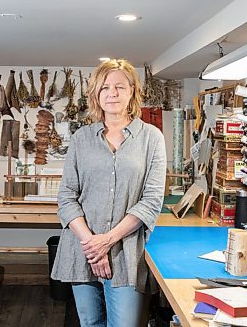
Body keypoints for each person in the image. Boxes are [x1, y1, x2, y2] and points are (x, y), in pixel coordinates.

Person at [51, 59, 167, 327]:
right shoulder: (81, 138)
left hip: (126, 253)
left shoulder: (151, 138)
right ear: (95, 94)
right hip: (82, 249)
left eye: (119, 87)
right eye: (104, 88)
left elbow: (151, 201)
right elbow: (67, 197)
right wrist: (92, 245)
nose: (112, 93)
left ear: (132, 92)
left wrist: (108, 241)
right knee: (91, 323)